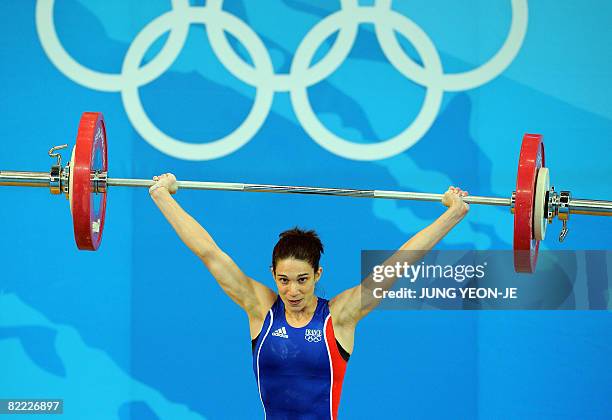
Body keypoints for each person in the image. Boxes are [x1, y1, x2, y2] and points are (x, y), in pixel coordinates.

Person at [149, 173, 469, 419]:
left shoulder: (340, 316)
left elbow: (399, 262)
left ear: (318, 275)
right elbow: (209, 253)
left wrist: (451, 215)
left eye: (303, 280)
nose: (293, 291)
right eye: (284, 280)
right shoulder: (261, 308)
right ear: (273, 275)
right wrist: (162, 195)